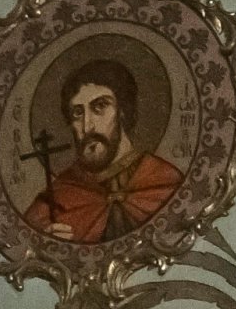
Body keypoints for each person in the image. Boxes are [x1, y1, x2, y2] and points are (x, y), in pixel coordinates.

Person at [24, 59, 186, 243]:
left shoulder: (166, 183)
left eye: (99, 106)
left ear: (123, 111)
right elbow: (23, 247)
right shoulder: (56, 199)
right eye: (77, 113)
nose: (87, 126)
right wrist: (46, 246)